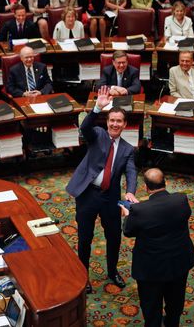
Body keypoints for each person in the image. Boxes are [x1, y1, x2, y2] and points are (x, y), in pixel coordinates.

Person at [66, 86, 138, 293]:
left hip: (110, 197)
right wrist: (97, 108)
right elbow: (85, 128)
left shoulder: (127, 149)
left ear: (125, 125)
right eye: (112, 120)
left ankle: (112, 271)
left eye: (119, 121)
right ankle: (83, 275)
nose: (115, 124)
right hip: (88, 194)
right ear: (107, 122)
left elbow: (131, 172)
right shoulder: (97, 134)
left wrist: (131, 191)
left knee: (114, 236)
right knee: (85, 237)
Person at [121, 168, 194, 327]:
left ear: (146, 188)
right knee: (175, 301)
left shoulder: (139, 211)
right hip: (179, 262)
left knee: (151, 307)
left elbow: (128, 231)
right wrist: (139, 210)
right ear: (166, 182)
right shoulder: (181, 199)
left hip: (151, 268)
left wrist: (129, 215)